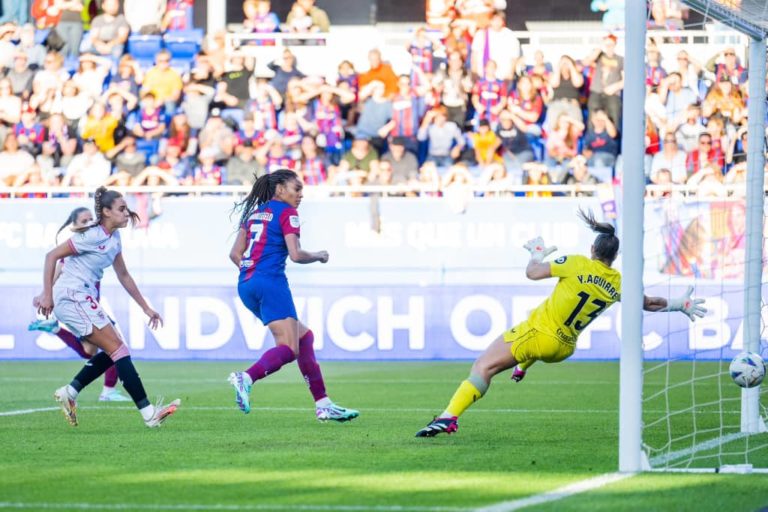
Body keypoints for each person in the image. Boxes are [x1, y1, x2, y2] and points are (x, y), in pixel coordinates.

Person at [415, 208, 707, 437]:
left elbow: (533, 273)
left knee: (482, 367)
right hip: (564, 348)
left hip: (540, 334)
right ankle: (522, 365)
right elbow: (647, 304)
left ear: (593, 250)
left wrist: (536, 255)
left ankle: (448, 418)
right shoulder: (619, 282)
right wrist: (679, 304)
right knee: (534, 338)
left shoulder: (578, 262)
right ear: (614, 257)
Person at [34, 187, 181, 427]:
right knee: (119, 351)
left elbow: (123, 274)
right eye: (121, 209)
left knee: (115, 352)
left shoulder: (114, 238)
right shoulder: (90, 236)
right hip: (72, 296)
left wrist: (146, 308)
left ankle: (70, 392)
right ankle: (148, 414)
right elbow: (52, 256)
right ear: (106, 212)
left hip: (84, 297)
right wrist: (47, 294)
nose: (127, 213)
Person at [227, 169, 359, 422]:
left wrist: (252, 270)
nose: (300, 195)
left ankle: (323, 404)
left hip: (246, 284)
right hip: (271, 283)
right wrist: (320, 255)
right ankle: (247, 377)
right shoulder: (288, 213)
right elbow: (296, 255)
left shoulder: (254, 214)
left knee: (304, 337)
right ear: (279, 189)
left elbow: (235, 254)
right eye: (296, 189)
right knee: (288, 347)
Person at [28, 207, 130, 402]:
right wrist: (44, 293)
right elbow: (58, 267)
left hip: (90, 305)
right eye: (84, 221)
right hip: (80, 306)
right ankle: (108, 390)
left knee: (90, 351)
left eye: (91, 219)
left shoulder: (96, 243)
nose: (89, 222)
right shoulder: (77, 248)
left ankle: (57, 331)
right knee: (115, 345)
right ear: (74, 226)